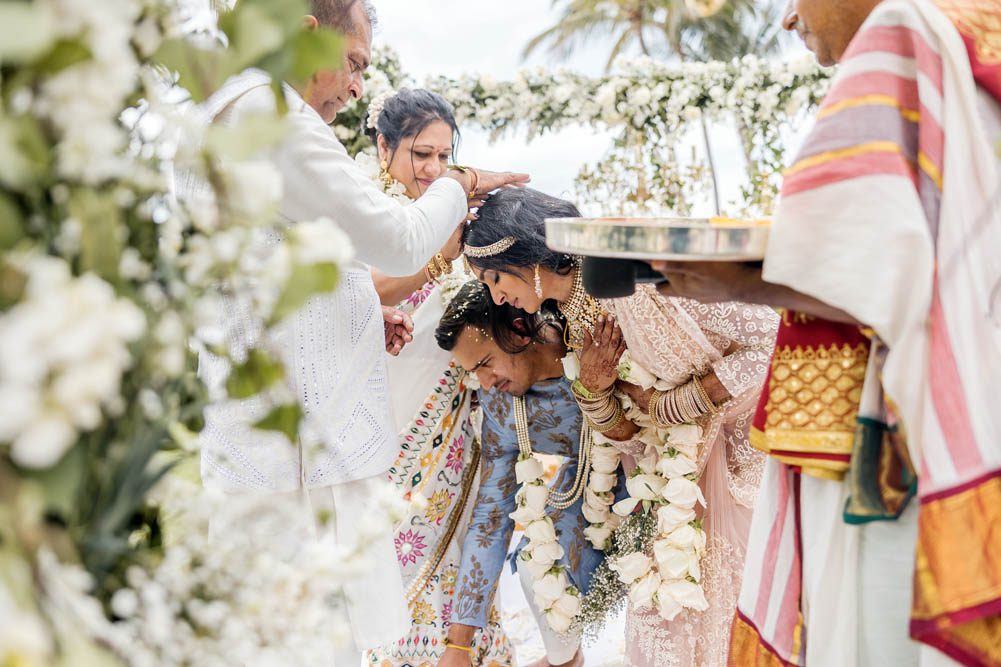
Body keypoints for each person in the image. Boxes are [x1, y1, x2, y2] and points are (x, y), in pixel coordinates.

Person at [649, 1, 1001, 664]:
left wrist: (728, 281)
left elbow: (872, 269)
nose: (787, 19)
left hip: (913, 444)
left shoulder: (907, 33)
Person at [189, 2, 529, 664]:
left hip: (270, 440)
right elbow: (398, 241)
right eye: (353, 64)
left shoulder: (224, 110)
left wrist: (359, 310)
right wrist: (461, 184)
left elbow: (263, 273)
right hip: (296, 464)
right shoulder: (270, 115)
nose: (354, 87)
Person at [463, 188, 778, 667]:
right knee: (659, 632)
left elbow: (771, 337)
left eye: (493, 277)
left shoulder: (637, 281)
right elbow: (626, 434)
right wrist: (592, 390)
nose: (496, 294)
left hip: (726, 472)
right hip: (662, 487)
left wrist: (679, 402)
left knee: (720, 623)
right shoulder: (565, 320)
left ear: (526, 256)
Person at [359, 89, 514, 666]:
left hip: (451, 416)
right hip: (379, 413)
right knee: (383, 546)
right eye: (420, 154)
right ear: (383, 147)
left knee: (455, 538)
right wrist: (438, 258)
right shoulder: (364, 211)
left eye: (444, 157)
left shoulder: (455, 217)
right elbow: (366, 289)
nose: (432, 169)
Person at [433, 280, 625, 667]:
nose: (484, 383)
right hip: (589, 489)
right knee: (538, 568)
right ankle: (565, 661)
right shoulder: (501, 403)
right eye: (474, 372)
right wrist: (459, 645)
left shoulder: (591, 340)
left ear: (519, 330)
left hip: (663, 465)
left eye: (485, 363)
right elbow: (491, 513)